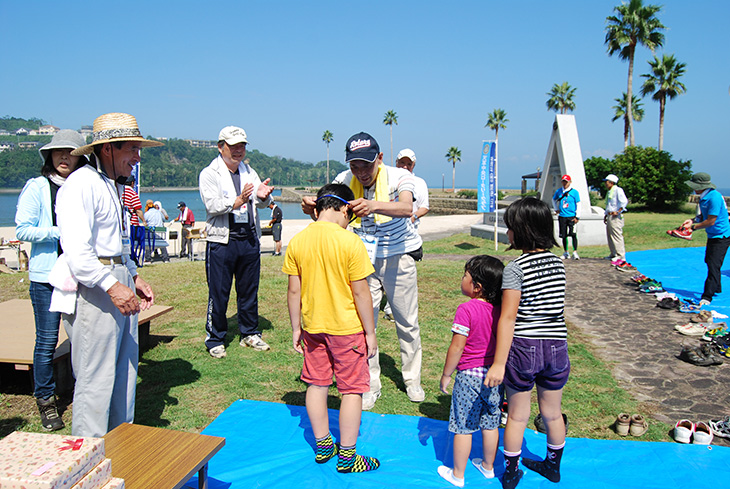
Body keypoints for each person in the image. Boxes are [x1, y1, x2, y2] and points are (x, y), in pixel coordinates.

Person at [302, 132, 424, 410]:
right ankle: (370, 383)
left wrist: (374, 205)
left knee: (407, 321)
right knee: (362, 325)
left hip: (398, 256)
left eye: (366, 166)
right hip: (360, 260)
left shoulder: (399, 177)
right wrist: (309, 207)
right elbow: (326, 214)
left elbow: (407, 207)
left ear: (380, 159)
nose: (360, 172)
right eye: (354, 166)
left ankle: (412, 379)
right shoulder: (344, 180)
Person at [57, 112, 158, 437]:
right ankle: (89, 463)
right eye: (132, 149)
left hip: (116, 277)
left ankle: (120, 449)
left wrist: (132, 276)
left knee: (125, 372)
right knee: (95, 380)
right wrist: (112, 285)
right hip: (95, 287)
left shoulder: (111, 187)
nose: (137, 158)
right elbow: (77, 251)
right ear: (108, 149)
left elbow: (119, 242)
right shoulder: (80, 184)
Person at [283, 183, 380, 474]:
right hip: (347, 329)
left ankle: (324, 444)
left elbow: (292, 291)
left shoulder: (298, 241)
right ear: (344, 209)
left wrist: (295, 327)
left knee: (317, 383)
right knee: (352, 390)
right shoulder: (350, 243)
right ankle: (348, 457)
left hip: (313, 327)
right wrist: (370, 331)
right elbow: (362, 293)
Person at [485, 197, 569, 489]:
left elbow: (508, 318)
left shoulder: (516, 268)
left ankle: (510, 473)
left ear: (522, 231)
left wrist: (498, 363)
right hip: (557, 345)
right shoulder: (558, 263)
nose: (508, 232)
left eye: (510, 227)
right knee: (552, 413)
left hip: (525, 347)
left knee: (518, 416)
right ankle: (553, 467)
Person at [15, 129, 87, 431]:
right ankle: (45, 401)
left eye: (70, 152)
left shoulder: (84, 187)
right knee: (46, 341)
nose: (64, 157)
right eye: (58, 152)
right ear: (49, 156)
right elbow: (23, 229)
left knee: (82, 337)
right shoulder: (37, 187)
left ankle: (78, 390)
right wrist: (59, 232)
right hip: (47, 277)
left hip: (80, 274)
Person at [199, 125, 274, 358]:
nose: (238, 150)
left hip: (249, 237)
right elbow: (211, 205)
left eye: (242, 145)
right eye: (233, 146)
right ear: (221, 147)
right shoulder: (209, 173)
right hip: (222, 240)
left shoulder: (249, 171)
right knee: (219, 291)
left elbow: (261, 201)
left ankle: (250, 332)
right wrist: (237, 201)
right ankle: (215, 337)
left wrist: (263, 196)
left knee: (249, 289)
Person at [437, 255, 504, 487]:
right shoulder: (500, 311)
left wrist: (447, 374)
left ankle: (457, 474)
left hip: (468, 377)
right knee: (490, 423)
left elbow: (457, 346)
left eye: (465, 275)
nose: (461, 278)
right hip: (494, 376)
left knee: (463, 427)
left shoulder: (466, 309)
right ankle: (488, 466)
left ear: (476, 287)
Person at [681, 172, 730, 306]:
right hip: (713, 234)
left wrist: (693, 228)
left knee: (714, 265)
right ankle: (717, 287)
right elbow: (703, 216)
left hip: (722, 235)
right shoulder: (704, 197)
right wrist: (691, 221)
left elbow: (711, 221)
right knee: (710, 260)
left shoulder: (714, 197)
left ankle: (707, 296)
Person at [395, 148, 430, 227]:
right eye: (402, 163)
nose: (405, 167)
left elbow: (424, 207)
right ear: (396, 163)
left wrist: (414, 217)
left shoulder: (420, 183)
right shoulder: (388, 180)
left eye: (409, 164)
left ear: (413, 165)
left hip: (410, 228)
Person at [552, 174, 580, 260]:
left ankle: (575, 252)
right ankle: (566, 251)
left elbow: (578, 204)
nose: (565, 183)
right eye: (563, 181)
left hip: (571, 216)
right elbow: (553, 199)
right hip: (562, 216)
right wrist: (556, 209)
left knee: (573, 234)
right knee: (564, 235)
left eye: (566, 182)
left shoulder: (574, 192)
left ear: (570, 182)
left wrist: (577, 216)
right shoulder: (559, 191)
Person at [603, 174, 628, 265]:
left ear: (611, 182)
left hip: (615, 217)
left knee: (616, 235)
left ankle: (620, 255)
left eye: (607, 182)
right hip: (609, 215)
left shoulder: (618, 190)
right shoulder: (610, 192)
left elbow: (624, 202)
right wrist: (606, 215)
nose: (605, 184)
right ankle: (613, 253)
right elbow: (608, 205)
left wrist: (618, 211)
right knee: (610, 235)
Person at [122, 176, 146, 265]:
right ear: (132, 183)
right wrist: (143, 220)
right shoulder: (132, 194)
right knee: (131, 243)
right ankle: (132, 259)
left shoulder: (120, 191)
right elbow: (138, 210)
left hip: (121, 222)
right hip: (131, 223)